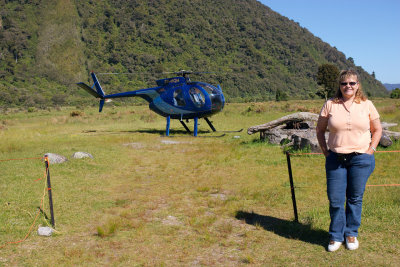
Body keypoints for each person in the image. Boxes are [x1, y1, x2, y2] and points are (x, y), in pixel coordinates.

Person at [316, 69, 382, 252]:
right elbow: (320, 130)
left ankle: (351, 233)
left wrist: (371, 150)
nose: (348, 86)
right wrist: (325, 151)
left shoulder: (367, 104)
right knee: (336, 199)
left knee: (354, 198)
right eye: (344, 83)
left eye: (352, 83)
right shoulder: (330, 104)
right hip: (335, 159)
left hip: (361, 159)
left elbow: (377, 130)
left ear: (358, 85)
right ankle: (336, 236)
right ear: (339, 86)